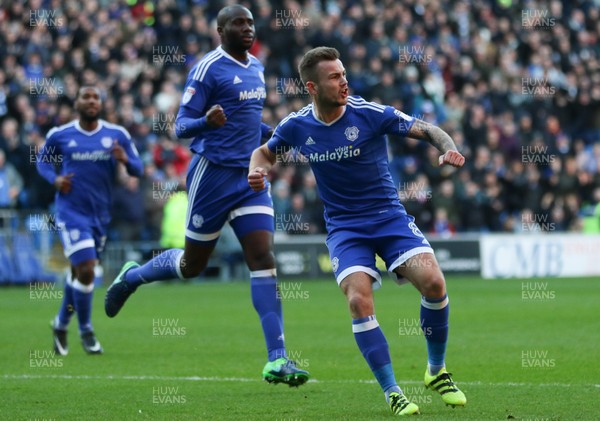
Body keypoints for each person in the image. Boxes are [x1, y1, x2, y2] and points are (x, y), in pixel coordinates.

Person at [248, 47, 467, 415]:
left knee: (434, 283)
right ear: (312, 86)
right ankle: (393, 391)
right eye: (334, 77)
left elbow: (428, 130)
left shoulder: (370, 113)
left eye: (344, 73)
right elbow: (265, 153)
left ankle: (436, 370)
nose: (344, 81)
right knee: (357, 301)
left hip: (388, 218)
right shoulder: (296, 126)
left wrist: (449, 149)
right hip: (345, 228)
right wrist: (257, 171)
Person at [104, 5, 309, 387]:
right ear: (220, 30)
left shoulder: (257, 67)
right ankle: (133, 277)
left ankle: (278, 359)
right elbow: (180, 126)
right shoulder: (207, 68)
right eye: (239, 23)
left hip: (248, 176)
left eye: (250, 22)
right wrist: (205, 121)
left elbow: (249, 120)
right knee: (191, 266)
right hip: (211, 176)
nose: (247, 28)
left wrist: (281, 135)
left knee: (263, 257)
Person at [37, 86, 143, 355]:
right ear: (77, 103)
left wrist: (125, 162)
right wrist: (55, 180)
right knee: (86, 269)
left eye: (96, 97)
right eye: (87, 97)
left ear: (101, 103)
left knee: (78, 274)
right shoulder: (60, 135)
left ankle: (61, 324)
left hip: (100, 215)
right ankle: (86, 329)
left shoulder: (116, 134)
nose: (92, 101)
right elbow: (43, 163)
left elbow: (138, 168)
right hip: (71, 212)